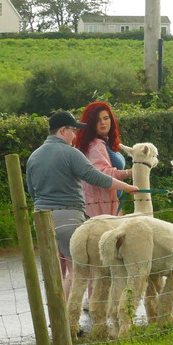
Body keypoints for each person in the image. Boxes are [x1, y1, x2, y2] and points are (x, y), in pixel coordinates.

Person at [26, 111, 139, 291]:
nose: (75, 135)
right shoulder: (71, 153)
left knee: (54, 269)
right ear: (63, 130)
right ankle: (70, 310)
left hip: (41, 217)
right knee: (79, 268)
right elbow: (95, 176)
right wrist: (127, 187)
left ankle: (56, 312)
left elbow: (32, 190)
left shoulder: (34, 156)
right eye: (73, 130)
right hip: (69, 215)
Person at [74, 101, 131, 217]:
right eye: (98, 120)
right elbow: (102, 174)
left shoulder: (106, 142)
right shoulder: (95, 146)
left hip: (109, 202)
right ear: (90, 123)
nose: (103, 123)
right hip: (99, 205)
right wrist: (130, 173)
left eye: (106, 118)